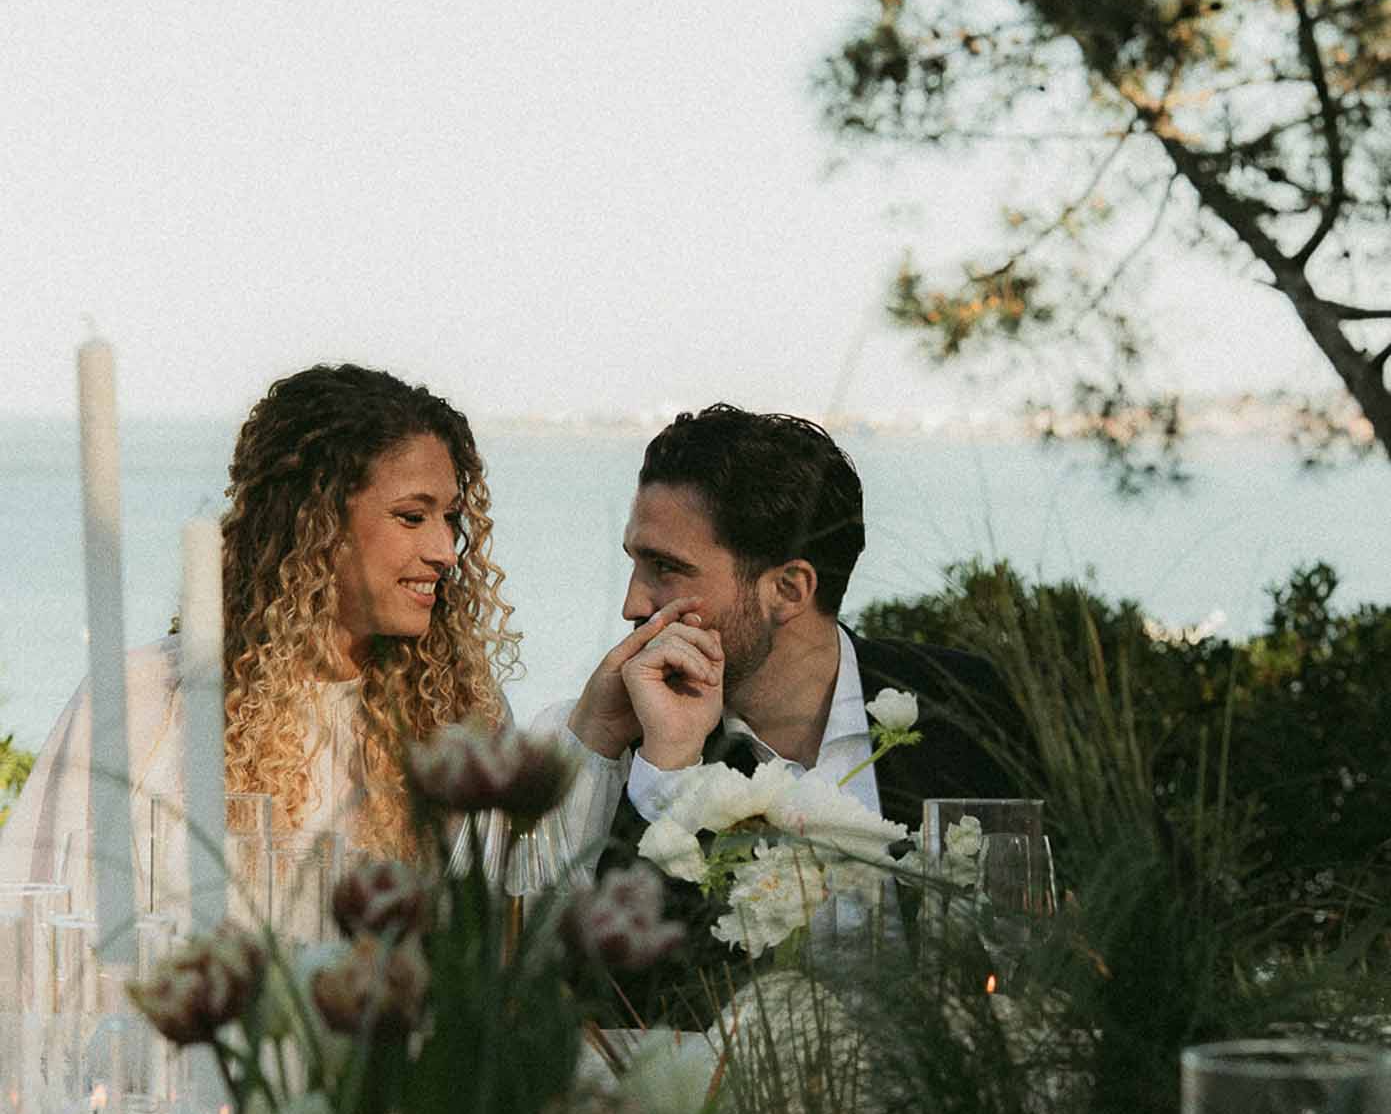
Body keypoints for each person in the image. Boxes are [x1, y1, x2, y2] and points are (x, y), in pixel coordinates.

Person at [0, 364, 517, 894]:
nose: (444, 553)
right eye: (412, 517)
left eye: (451, 518)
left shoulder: (460, 715)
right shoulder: (138, 703)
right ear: (314, 521)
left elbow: (519, 916)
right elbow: (32, 924)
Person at [543, 402, 1015, 865]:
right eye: (636, 563)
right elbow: (612, 936)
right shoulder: (620, 746)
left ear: (789, 590)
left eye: (666, 568)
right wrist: (668, 766)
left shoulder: (972, 704)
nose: (633, 605)